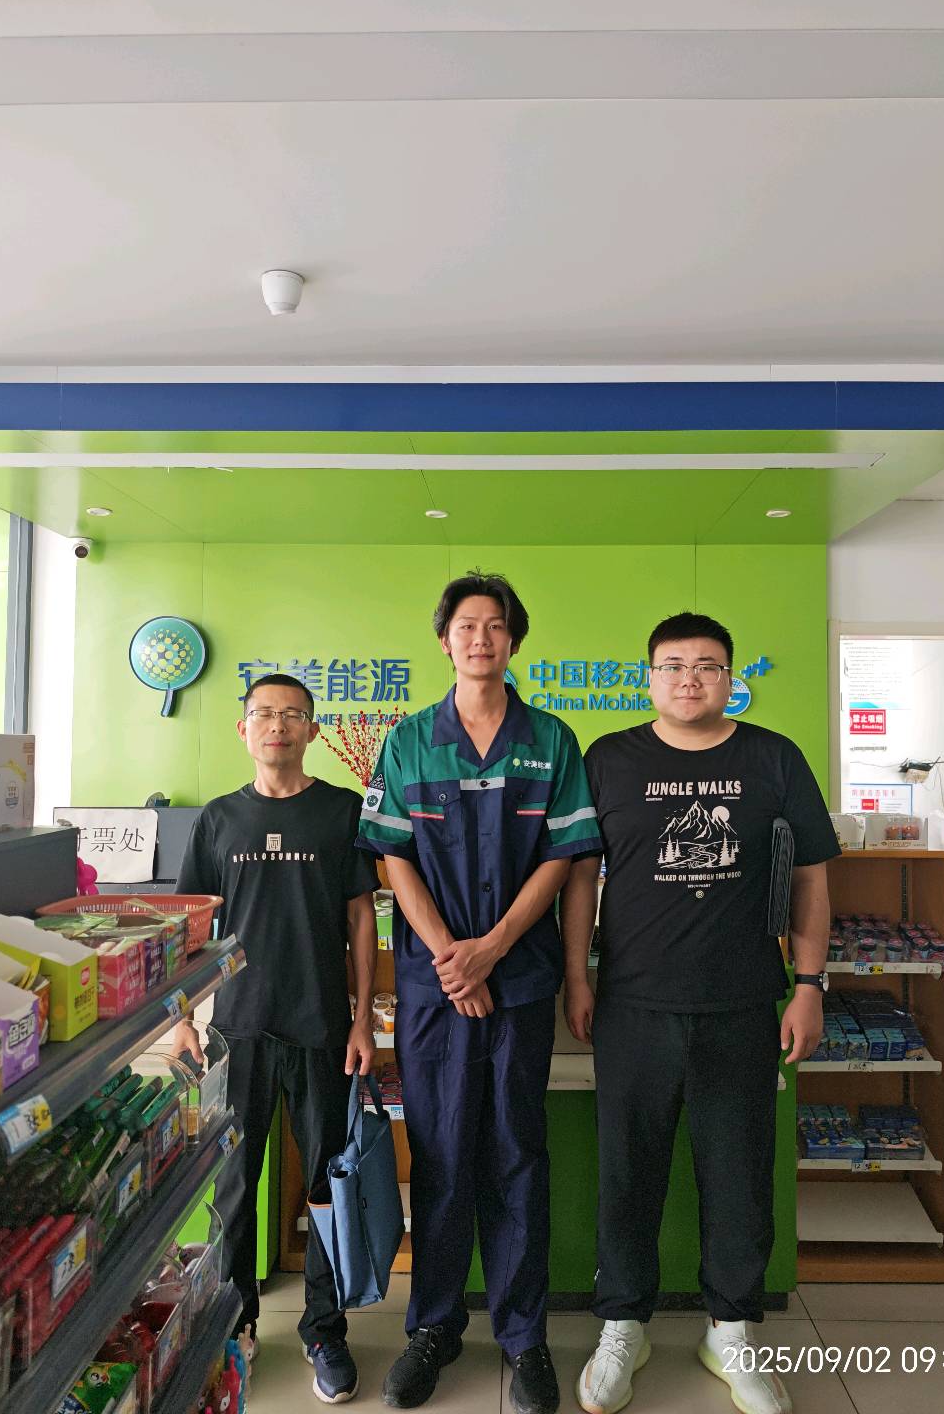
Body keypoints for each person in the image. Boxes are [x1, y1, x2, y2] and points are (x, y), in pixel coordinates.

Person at [565, 612, 839, 1414]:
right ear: (649, 677)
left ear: (729, 678)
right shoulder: (609, 759)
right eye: (674, 665)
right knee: (628, 1171)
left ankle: (732, 1328)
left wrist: (810, 984)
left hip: (744, 1001)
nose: (691, 678)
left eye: (709, 665)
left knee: (739, 1173)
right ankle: (623, 1322)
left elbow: (812, 878)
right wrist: (578, 977)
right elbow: (580, 876)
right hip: (633, 1004)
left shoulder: (773, 758)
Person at [357, 572, 602, 1414]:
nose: (481, 638)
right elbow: (392, 857)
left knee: (515, 1152)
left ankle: (524, 1336)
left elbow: (564, 859)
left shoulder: (551, 740)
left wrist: (492, 951)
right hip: (434, 990)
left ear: (513, 641)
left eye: (496, 626)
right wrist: (450, 960)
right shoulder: (409, 741)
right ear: (445, 640)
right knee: (438, 1154)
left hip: (519, 979)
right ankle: (433, 1327)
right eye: (467, 625)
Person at [175, 673, 379, 1406]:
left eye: (293, 715)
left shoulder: (340, 811)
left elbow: (361, 917)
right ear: (244, 728)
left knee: (326, 1186)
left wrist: (362, 1018)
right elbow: (192, 925)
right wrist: (181, 1018)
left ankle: (324, 1330)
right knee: (234, 1187)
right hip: (236, 1030)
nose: (278, 726)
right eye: (264, 713)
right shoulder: (219, 819)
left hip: (321, 1028)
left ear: (312, 730)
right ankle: (236, 1324)